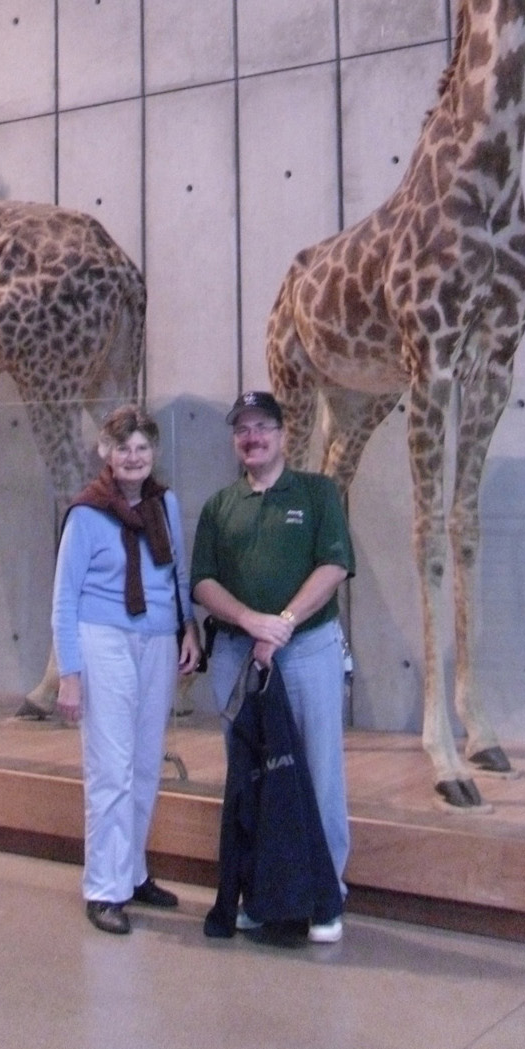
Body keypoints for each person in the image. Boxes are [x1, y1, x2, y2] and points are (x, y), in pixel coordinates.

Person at [191, 390, 355, 944]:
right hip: (238, 656)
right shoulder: (220, 506)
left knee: (318, 771)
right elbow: (203, 583)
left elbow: (334, 563)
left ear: (284, 434)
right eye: (242, 429)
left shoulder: (316, 492)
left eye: (262, 426)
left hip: (307, 650)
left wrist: (281, 623)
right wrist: (251, 622)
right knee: (251, 777)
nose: (252, 437)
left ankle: (324, 897)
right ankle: (261, 895)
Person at [53, 404, 202, 935]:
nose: (133, 457)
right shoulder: (86, 513)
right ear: (106, 453)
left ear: (152, 453)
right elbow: (64, 598)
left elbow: (178, 572)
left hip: (157, 639)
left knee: (143, 764)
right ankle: (104, 887)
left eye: (141, 448)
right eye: (124, 448)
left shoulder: (166, 505)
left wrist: (188, 628)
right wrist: (69, 673)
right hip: (104, 639)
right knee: (110, 768)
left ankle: (133, 872)